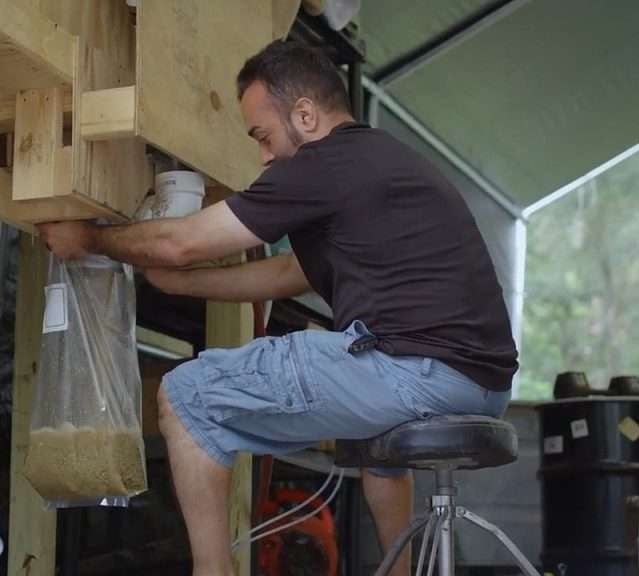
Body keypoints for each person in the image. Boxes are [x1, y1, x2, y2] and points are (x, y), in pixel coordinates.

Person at [38, 40, 518, 576]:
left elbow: (181, 242)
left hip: (413, 371)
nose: (264, 155)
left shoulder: (324, 162)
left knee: (187, 395)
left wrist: (89, 239)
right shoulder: (380, 161)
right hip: (480, 384)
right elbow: (289, 274)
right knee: (368, 437)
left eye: (263, 135)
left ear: (306, 115)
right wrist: (182, 285)